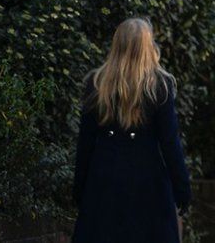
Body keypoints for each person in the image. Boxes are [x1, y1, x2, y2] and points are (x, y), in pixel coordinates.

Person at [73, 17, 191, 243]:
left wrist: (80, 189)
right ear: (148, 46)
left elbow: (85, 142)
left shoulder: (96, 84)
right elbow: (170, 143)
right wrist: (182, 189)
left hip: (103, 178)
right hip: (147, 181)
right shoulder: (159, 86)